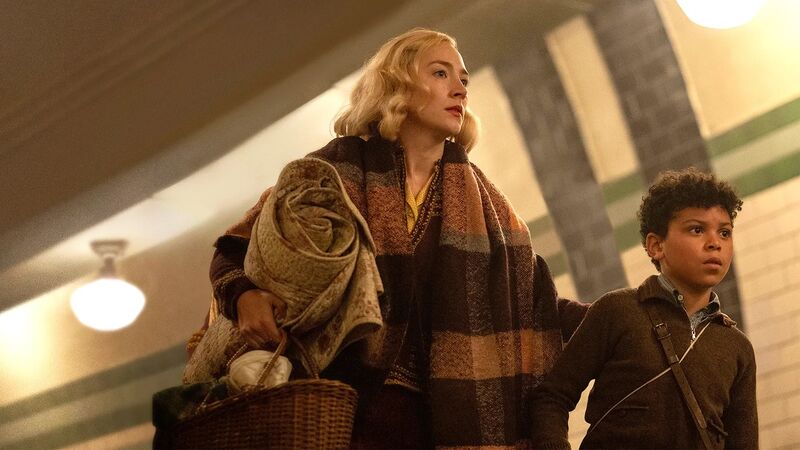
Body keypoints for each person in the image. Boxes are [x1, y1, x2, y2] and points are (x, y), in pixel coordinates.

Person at [208, 28, 587, 449]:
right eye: (441, 73)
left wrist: (617, 317)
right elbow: (236, 248)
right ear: (397, 83)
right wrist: (244, 296)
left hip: (441, 421)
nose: (460, 89)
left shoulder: (490, 208)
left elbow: (528, 301)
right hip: (335, 409)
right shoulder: (329, 172)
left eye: (464, 79)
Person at [529, 168, 758, 449]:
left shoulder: (737, 348)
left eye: (724, 232)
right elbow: (552, 397)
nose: (714, 243)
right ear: (656, 246)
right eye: (696, 229)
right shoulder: (617, 311)